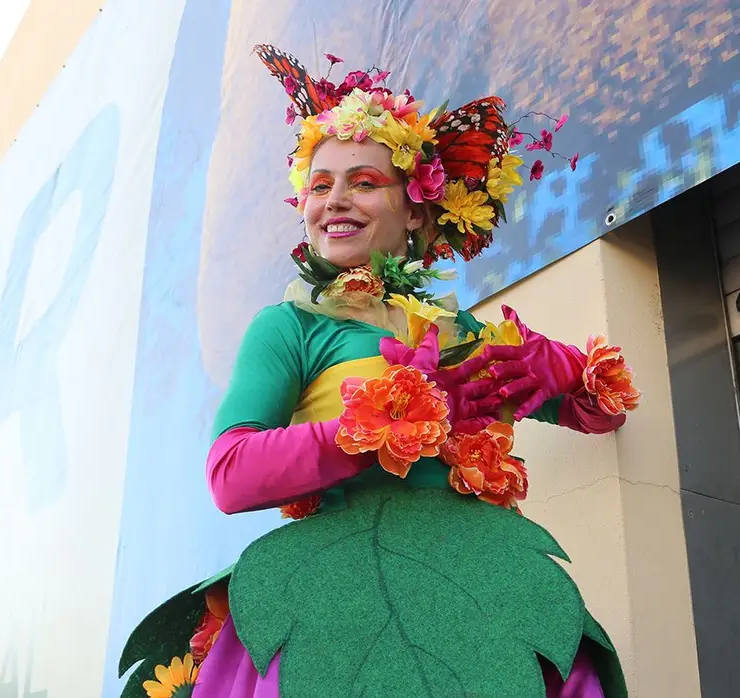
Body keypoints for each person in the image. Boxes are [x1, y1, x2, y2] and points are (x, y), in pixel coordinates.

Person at [119, 46, 642, 698]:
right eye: (319, 184)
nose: (334, 199)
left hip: (477, 583)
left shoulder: (462, 334)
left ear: (417, 210)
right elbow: (230, 473)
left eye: (363, 181)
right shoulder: (292, 326)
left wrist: (550, 367)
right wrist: (376, 431)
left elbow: (601, 410)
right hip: (337, 586)